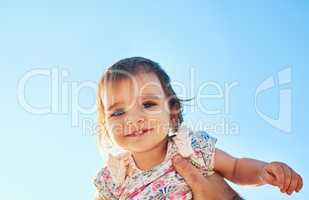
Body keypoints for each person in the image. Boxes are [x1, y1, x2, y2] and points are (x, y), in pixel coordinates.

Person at [93, 57, 303, 199]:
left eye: (148, 104)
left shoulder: (191, 148)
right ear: (105, 125)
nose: (134, 118)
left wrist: (262, 172)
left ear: (173, 110)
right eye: (118, 112)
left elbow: (235, 167)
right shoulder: (113, 177)